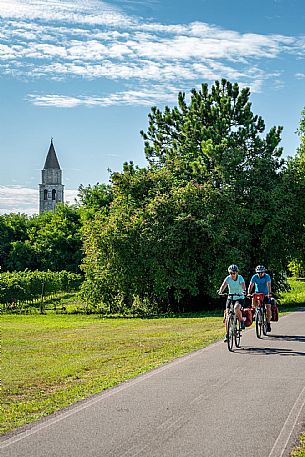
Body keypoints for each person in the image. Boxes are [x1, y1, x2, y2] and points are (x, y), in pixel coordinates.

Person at [218, 264, 246, 342]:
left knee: (236, 308)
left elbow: (243, 285)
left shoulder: (240, 278)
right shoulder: (228, 278)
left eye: (233, 273)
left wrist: (244, 291)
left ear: (237, 273)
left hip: (239, 297)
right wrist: (220, 291)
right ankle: (227, 334)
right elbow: (224, 285)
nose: (232, 275)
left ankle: (241, 321)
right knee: (227, 315)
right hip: (230, 298)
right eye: (230, 273)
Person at [247, 265, 272, 332]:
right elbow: (251, 285)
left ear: (264, 272)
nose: (260, 274)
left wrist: (269, 293)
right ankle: (256, 312)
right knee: (253, 299)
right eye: (258, 273)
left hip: (266, 294)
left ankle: (268, 323)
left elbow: (269, 285)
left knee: (268, 307)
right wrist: (249, 293)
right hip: (257, 293)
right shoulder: (254, 277)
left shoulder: (267, 276)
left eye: (261, 272)